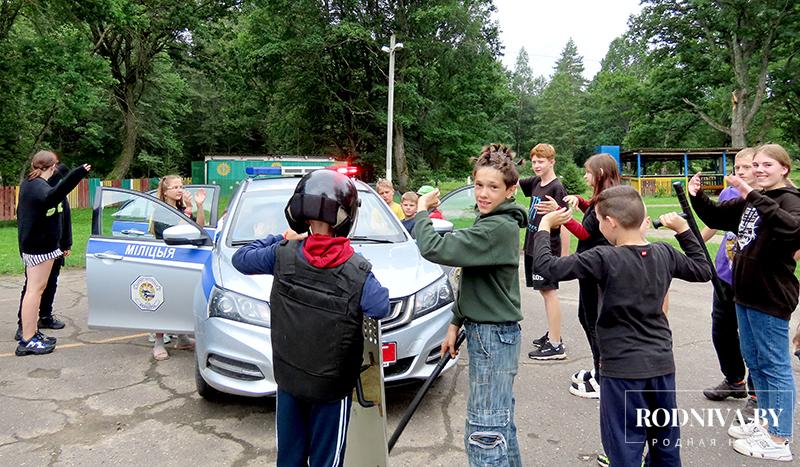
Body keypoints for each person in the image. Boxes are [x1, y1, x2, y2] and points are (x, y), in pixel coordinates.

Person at [535, 185, 712, 466]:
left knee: (625, 448)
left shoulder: (604, 257)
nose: (597, 226)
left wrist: (545, 225)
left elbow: (547, 266)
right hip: (661, 366)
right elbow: (703, 270)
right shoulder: (664, 253)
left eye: (597, 219)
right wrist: (683, 230)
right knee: (665, 444)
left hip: (622, 371)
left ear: (611, 222)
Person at [231, 169, 389, 467]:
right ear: (347, 217)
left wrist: (282, 237)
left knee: (289, 458)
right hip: (330, 390)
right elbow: (380, 307)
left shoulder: (282, 253)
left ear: (299, 212)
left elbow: (241, 259)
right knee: (325, 461)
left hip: (289, 380)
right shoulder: (357, 270)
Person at [415, 143, 527, 466]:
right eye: (479, 185)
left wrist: (421, 210)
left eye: (493, 187)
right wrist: (455, 322)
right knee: (500, 427)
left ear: (510, 190)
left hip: (493, 338)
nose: (483, 194)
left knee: (484, 435)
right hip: (488, 334)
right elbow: (472, 279)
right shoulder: (490, 221)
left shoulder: (497, 228)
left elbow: (434, 247)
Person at [689, 143, 799, 462]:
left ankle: (779, 438)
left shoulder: (791, 199)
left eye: (768, 165)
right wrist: (697, 197)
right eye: (757, 164)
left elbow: (793, 230)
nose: (760, 170)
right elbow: (717, 216)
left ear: (784, 169)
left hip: (770, 296)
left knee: (775, 365)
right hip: (745, 294)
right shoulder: (753, 199)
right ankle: (765, 423)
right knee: (756, 361)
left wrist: (752, 194)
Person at [539, 153, 621, 397]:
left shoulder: (606, 198)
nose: (585, 176)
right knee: (587, 317)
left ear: (600, 173)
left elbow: (585, 232)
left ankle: (604, 378)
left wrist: (559, 214)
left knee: (593, 320)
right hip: (592, 266)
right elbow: (593, 216)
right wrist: (581, 201)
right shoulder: (606, 196)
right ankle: (599, 369)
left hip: (595, 268)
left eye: (588, 172)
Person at [16, 150, 90, 356]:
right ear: (52, 166)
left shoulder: (32, 182)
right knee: (34, 291)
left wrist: (65, 171)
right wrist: (77, 174)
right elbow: (54, 195)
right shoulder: (38, 187)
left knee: (36, 290)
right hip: (39, 248)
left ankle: (32, 333)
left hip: (37, 246)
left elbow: (55, 183)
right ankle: (27, 339)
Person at [699, 148, 757, 407]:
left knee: (753, 336)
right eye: (737, 167)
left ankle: (757, 393)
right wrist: (693, 243)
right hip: (725, 273)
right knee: (722, 330)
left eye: (746, 167)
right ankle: (734, 380)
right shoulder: (729, 193)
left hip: (751, 279)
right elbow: (715, 223)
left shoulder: (765, 198)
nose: (740, 171)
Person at [518, 143, 569, 360]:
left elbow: (564, 222)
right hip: (532, 245)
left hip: (547, 249)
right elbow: (512, 180)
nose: (536, 165)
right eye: (534, 161)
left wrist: (564, 256)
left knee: (549, 292)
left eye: (541, 161)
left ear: (552, 162)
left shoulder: (557, 188)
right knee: (543, 291)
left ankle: (556, 345)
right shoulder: (536, 182)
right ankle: (553, 333)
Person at [149, 175, 205, 360]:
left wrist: (198, 206)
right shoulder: (161, 211)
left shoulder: (182, 208)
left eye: (182, 186)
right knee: (163, 301)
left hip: (183, 259)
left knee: (181, 299)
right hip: (166, 260)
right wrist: (188, 210)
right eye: (175, 187)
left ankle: (182, 338)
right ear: (165, 192)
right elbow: (175, 231)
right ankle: (158, 342)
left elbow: (199, 227)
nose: (180, 190)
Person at [14, 161, 72, 341]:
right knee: (32, 286)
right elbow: (25, 220)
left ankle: (45, 316)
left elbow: (65, 218)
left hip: (56, 245)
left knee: (50, 282)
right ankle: (24, 326)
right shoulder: (35, 190)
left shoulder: (58, 192)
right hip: (39, 247)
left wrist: (66, 244)